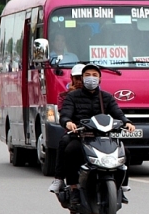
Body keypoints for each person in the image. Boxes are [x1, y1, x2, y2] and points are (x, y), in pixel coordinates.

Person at [60, 64, 136, 204]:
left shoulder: (106, 97)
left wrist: (127, 122)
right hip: (81, 137)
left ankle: (122, 188)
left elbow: (117, 113)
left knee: (126, 153)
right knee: (71, 151)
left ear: (100, 79)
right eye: (87, 75)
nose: (91, 78)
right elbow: (65, 115)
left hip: (102, 137)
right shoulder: (72, 97)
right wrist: (68, 122)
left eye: (95, 75)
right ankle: (74, 188)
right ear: (82, 78)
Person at [48, 63, 85, 193]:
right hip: (74, 133)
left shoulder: (99, 95)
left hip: (94, 133)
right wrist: (69, 122)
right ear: (72, 78)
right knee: (65, 144)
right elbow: (64, 114)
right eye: (77, 78)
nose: (80, 81)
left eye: (83, 78)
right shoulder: (65, 96)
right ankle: (59, 179)